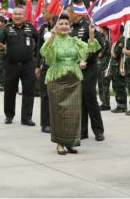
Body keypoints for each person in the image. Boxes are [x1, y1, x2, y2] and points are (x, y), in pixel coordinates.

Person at [40, 13, 100, 155]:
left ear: (70, 26)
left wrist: (91, 34)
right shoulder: (51, 40)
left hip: (74, 82)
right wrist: (52, 37)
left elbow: (91, 48)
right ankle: (60, 143)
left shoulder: (74, 41)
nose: (64, 26)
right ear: (55, 26)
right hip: (56, 82)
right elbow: (44, 52)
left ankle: (71, 143)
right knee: (59, 114)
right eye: (61, 24)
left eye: (66, 24)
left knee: (73, 114)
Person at [67, 5, 105, 141]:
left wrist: (86, 60)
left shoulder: (89, 26)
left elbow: (99, 44)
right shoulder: (70, 28)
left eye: (68, 14)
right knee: (79, 100)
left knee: (90, 99)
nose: (68, 17)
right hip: (75, 68)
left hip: (88, 68)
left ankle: (98, 131)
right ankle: (83, 131)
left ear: (74, 14)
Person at [0, 6, 39, 126]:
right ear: (12, 16)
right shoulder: (7, 28)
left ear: (24, 16)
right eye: (15, 14)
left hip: (28, 65)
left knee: (29, 92)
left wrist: (37, 56)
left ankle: (26, 118)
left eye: (20, 14)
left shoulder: (30, 27)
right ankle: (9, 115)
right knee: (9, 91)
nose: (17, 16)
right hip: (11, 65)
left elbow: (40, 41)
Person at [35, 5, 54, 133]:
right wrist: (37, 66)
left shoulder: (61, 26)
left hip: (59, 65)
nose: (42, 15)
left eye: (44, 13)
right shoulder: (43, 28)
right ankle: (45, 123)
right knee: (45, 94)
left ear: (52, 13)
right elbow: (39, 48)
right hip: (45, 65)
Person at [110, 25, 127, 113]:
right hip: (115, 67)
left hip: (118, 67)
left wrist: (112, 50)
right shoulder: (119, 41)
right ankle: (119, 105)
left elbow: (115, 55)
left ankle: (122, 106)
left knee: (120, 87)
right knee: (116, 86)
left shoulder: (122, 41)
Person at [97, 26, 111, 111]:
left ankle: (106, 104)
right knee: (100, 85)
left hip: (104, 66)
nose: (98, 31)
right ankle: (103, 102)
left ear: (105, 32)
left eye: (100, 30)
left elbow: (99, 54)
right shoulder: (100, 41)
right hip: (99, 66)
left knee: (105, 85)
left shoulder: (105, 41)